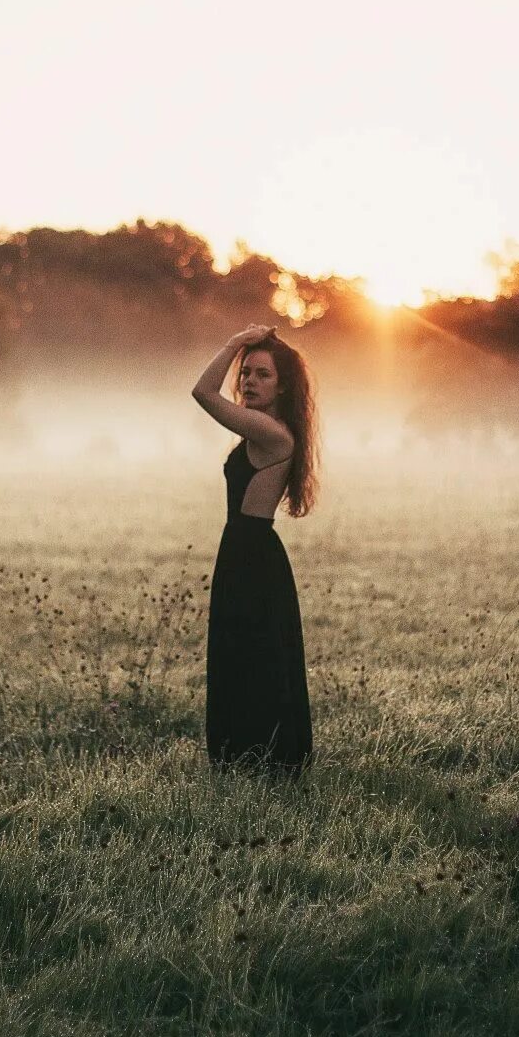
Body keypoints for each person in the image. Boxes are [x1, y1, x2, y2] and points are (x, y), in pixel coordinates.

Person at [189, 323, 319, 772]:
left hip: (252, 555)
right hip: (244, 550)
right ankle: (246, 755)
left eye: (262, 374)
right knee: (244, 655)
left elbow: (203, 393)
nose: (248, 381)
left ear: (282, 384)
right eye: (246, 372)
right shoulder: (264, 430)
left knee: (251, 656)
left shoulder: (273, 433)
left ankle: (258, 756)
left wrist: (233, 341)